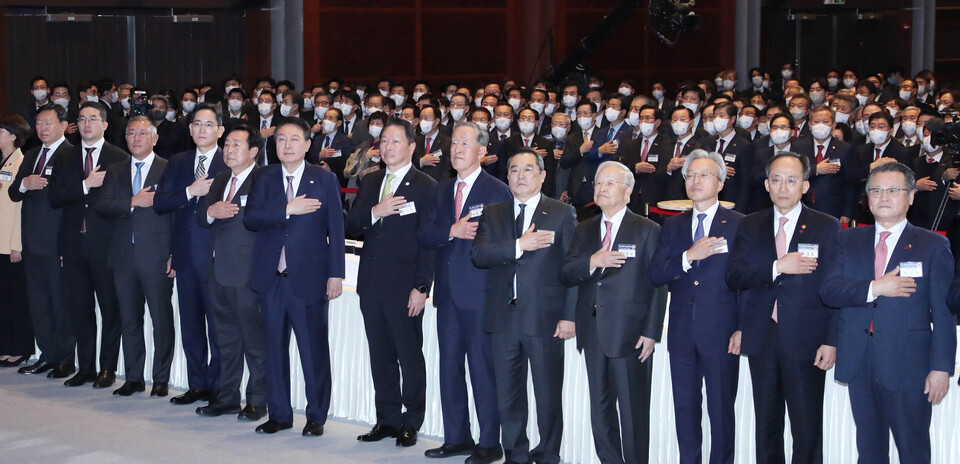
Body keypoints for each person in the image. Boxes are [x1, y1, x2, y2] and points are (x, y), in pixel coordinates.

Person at [821, 162, 955, 464]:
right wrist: (875, 288)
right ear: (867, 199)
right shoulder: (846, 239)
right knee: (869, 451)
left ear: (910, 197)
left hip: (909, 365)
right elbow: (828, 291)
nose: (883, 197)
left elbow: (943, 314)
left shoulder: (933, 244)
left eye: (893, 190)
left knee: (913, 450)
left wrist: (941, 368)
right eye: (876, 191)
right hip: (859, 359)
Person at [726, 151, 840, 464]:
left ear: (805, 186)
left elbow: (833, 288)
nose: (783, 187)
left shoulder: (825, 226)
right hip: (762, 336)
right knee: (766, 425)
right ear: (766, 185)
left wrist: (831, 339)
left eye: (791, 180)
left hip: (807, 338)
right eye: (776, 180)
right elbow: (734, 276)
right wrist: (777, 266)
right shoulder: (750, 224)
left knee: (806, 428)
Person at [472, 148, 578, 464]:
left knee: (547, 394)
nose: (521, 175)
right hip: (504, 317)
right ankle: (516, 453)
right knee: (508, 396)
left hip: (545, 319)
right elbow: (479, 256)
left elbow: (571, 267)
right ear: (507, 176)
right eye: (515, 170)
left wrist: (569, 316)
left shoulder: (561, 213)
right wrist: (519, 245)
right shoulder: (493, 212)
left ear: (543, 175)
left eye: (528, 169)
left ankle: (548, 454)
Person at [560, 161, 668, 464]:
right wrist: (591, 262)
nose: (601, 188)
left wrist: (651, 331)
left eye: (609, 183)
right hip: (593, 330)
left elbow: (656, 284)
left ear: (628, 191)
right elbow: (566, 273)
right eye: (598, 183)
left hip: (631, 333)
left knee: (633, 410)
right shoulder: (584, 228)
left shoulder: (647, 229)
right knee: (601, 407)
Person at [243, 117, 345, 436]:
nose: (286, 146)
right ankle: (280, 414)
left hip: (310, 279)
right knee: (273, 350)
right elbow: (251, 218)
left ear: (307, 144)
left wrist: (336, 275)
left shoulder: (323, 178)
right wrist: (288, 209)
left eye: (293, 140)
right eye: (281, 140)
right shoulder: (263, 176)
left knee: (313, 351)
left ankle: (316, 416)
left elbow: (336, 230)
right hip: (271, 278)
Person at [418, 121, 511, 463]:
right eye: (453, 143)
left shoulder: (497, 191)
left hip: (481, 293)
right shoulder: (441, 190)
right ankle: (457, 436)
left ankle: (490, 441)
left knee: (483, 369)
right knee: (450, 368)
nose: (456, 149)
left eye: (464, 143)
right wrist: (451, 230)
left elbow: (501, 243)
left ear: (482, 151)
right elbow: (426, 235)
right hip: (447, 295)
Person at [345, 117, 437, 447]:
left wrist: (422, 287)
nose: (387, 147)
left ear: (412, 147)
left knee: (409, 355)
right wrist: (377, 210)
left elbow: (429, 241)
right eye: (384, 141)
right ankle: (386, 418)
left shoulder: (426, 186)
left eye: (395, 141)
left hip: (405, 286)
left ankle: (411, 421)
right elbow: (354, 224)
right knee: (380, 354)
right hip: (371, 283)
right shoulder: (370, 182)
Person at [649, 150, 742, 464]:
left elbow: (747, 282)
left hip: (722, 332)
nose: (696, 180)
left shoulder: (739, 224)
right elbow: (657, 272)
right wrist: (689, 257)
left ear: (720, 183)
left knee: (721, 410)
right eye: (690, 175)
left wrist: (742, 326)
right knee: (685, 409)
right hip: (682, 333)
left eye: (704, 175)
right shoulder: (672, 226)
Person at [48, 101, 128, 388]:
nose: (86, 124)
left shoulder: (119, 158)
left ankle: (107, 368)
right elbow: (54, 198)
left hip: (106, 246)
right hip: (72, 245)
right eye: (81, 119)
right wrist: (85, 184)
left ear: (105, 124)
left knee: (110, 310)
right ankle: (86, 368)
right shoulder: (65, 157)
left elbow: (123, 205)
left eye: (92, 119)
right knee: (80, 310)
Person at [94, 115, 175, 397]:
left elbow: (177, 215)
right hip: (122, 258)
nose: (136, 138)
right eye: (130, 133)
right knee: (129, 319)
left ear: (155, 138)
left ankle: (161, 379)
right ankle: (133, 377)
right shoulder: (115, 170)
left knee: (161, 320)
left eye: (142, 133)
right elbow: (101, 206)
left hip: (157, 256)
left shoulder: (169, 169)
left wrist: (174, 254)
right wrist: (132, 202)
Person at [154, 102, 227, 405]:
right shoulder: (178, 161)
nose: (201, 129)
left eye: (208, 124)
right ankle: (197, 384)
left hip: (218, 257)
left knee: (219, 326)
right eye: (197, 124)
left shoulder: (231, 160)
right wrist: (189, 192)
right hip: (185, 256)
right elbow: (161, 203)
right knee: (191, 324)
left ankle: (219, 386)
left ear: (220, 130)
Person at [194, 124, 267, 421]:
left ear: (253, 151)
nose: (229, 149)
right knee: (225, 341)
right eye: (227, 145)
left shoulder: (265, 179)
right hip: (217, 271)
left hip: (247, 273)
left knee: (254, 341)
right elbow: (201, 214)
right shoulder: (221, 178)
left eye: (236, 144)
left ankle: (257, 400)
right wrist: (212, 212)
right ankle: (226, 397)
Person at [9, 103, 75, 378]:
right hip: (32, 241)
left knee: (60, 303)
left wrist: (66, 245)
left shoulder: (72, 154)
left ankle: (64, 358)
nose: (43, 128)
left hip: (57, 242)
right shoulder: (32, 154)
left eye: (48, 123)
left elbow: (72, 203)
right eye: (38, 123)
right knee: (39, 302)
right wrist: (26, 184)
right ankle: (46, 354)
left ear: (62, 124)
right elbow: (14, 192)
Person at [0, 114, 34, 367]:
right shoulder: (2, 161)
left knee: (16, 298)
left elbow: (20, 208)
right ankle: (4, 345)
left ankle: (20, 348)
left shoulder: (21, 161)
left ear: (13, 135)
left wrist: (16, 244)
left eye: (1, 131)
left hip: (10, 244)